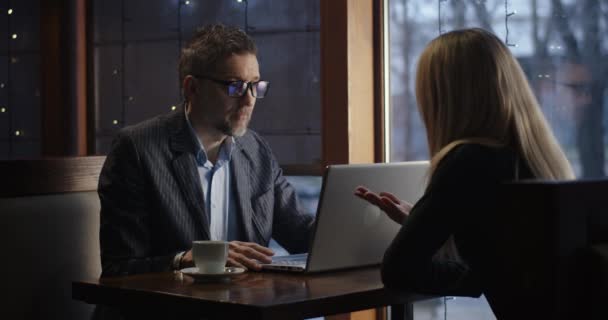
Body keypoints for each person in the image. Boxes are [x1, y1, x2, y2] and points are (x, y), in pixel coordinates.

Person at [355, 28, 574, 310]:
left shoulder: (468, 161)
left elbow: (400, 270)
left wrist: (424, 229)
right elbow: (503, 262)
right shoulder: (537, 158)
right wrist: (427, 224)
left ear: (442, 98)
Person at [98, 24, 314, 277]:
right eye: (235, 86)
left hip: (247, 306)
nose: (249, 99)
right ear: (192, 88)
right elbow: (119, 269)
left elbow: (304, 235)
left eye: (255, 85)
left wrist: (368, 226)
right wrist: (186, 259)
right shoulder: (136, 149)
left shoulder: (256, 150)